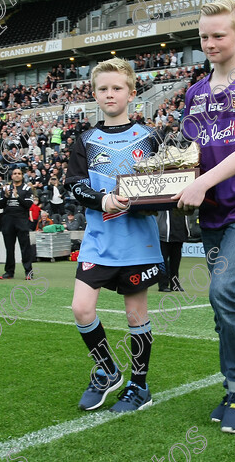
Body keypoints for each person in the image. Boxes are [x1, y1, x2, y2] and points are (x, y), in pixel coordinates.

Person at [175, 0, 235, 433]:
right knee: (222, 303)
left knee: (223, 287)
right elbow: (186, 155)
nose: (210, 43)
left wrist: (198, 183)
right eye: (203, 36)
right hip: (211, 212)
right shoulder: (194, 94)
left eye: (218, 35)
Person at [65, 57, 163, 414]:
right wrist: (103, 198)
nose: (110, 94)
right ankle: (107, 370)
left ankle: (139, 385)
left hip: (138, 241)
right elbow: (74, 185)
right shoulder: (86, 140)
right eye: (103, 89)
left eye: (117, 88)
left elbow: (164, 183)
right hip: (99, 239)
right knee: (80, 308)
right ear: (94, 94)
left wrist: (154, 201)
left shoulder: (150, 137)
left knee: (136, 316)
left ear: (132, 93)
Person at [0, 167, 34, 280]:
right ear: (12, 176)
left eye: (19, 173)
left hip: (21, 220)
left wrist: (17, 196)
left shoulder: (27, 188)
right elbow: (0, 205)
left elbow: (28, 205)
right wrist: (5, 196)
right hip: (8, 220)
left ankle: (28, 272)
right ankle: (9, 272)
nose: (17, 175)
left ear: (22, 175)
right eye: (15, 173)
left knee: (25, 247)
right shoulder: (5, 188)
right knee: (9, 248)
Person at [157, 208, 190, 293]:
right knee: (163, 262)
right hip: (165, 235)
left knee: (175, 262)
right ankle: (163, 284)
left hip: (179, 233)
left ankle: (175, 284)